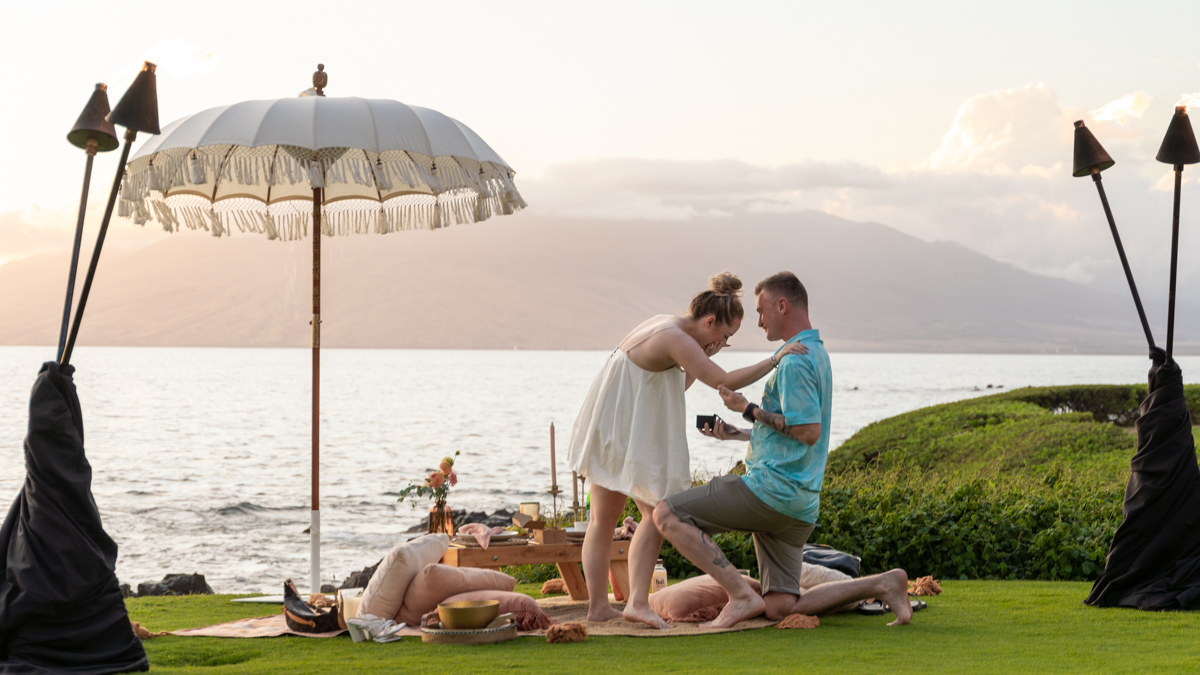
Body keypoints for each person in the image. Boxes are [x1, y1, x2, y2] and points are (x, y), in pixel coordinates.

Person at [653, 271, 914, 629]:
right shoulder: (817, 353)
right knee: (780, 607)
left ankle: (740, 596)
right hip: (799, 506)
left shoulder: (795, 360)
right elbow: (793, 428)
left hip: (770, 493)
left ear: (782, 305)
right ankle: (883, 583)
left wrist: (747, 408)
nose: (758, 321)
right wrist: (739, 433)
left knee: (667, 514)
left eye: (761, 311)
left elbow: (807, 431)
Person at [567, 272, 807, 628]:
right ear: (709, 321)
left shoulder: (671, 328)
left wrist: (703, 356)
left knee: (613, 519)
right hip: (622, 428)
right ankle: (632, 603)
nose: (723, 344)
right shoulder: (674, 336)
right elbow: (723, 380)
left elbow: (673, 384)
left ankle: (603, 607)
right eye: (724, 336)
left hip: (617, 424)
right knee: (655, 513)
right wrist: (776, 358)